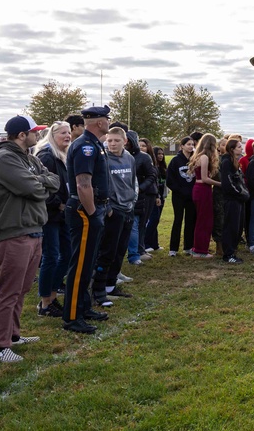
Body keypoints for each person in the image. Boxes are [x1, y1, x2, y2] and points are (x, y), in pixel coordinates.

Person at [0, 115, 58, 364]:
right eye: (34, 132)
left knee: (21, 289)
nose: (37, 135)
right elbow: (36, 189)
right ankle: (0, 346)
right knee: (8, 291)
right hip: (12, 232)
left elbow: (54, 181)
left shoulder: (29, 157)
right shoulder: (4, 158)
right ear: (21, 135)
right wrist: (40, 183)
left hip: (32, 229)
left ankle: (13, 336)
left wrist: (39, 182)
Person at [61, 105, 112, 335]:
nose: (109, 123)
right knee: (80, 265)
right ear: (100, 122)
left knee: (88, 262)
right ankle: (72, 316)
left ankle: (83, 307)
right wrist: (92, 213)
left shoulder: (94, 145)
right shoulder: (85, 147)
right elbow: (83, 184)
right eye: (107, 119)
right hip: (84, 211)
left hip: (92, 209)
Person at [92, 127, 137, 308]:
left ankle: (111, 285)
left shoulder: (130, 158)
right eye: (109, 140)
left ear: (124, 141)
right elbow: (99, 184)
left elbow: (132, 182)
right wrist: (108, 207)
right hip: (112, 210)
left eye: (116, 140)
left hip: (128, 208)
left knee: (120, 250)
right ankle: (98, 290)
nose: (112, 144)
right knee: (107, 251)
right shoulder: (103, 159)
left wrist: (132, 201)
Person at [33, 122, 71, 318]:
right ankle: (45, 302)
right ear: (52, 135)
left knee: (67, 254)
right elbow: (40, 185)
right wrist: (58, 203)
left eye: (69, 132)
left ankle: (53, 296)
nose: (68, 136)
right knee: (51, 256)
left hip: (62, 215)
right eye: (63, 133)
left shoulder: (62, 155)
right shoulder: (47, 155)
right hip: (50, 215)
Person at [126, 131, 156, 265]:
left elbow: (152, 175)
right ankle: (135, 251)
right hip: (123, 195)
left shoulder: (143, 157)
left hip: (142, 195)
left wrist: (140, 188)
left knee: (140, 223)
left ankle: (139, 250)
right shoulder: (119, 156)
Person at [188, 134, 219, 259]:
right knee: (204, 220)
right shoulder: (204, 157)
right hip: (202, 189)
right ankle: (200, 250)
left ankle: (199, 247)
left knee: (202, 219)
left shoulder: (198, 156)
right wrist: (220, 184)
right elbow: (204, 178)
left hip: (199, 189)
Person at [165, 137, 196, 256]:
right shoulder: (175, 161)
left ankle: (188, 246)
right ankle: (173, 249)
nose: (191, 146)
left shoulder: (195, 160)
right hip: (178, 196)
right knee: (178, 220)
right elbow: (170, 180)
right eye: (188, 144)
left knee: (190, 221)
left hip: (191, 196)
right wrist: (180, 190)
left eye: (192, 144)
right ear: (182, 146)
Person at [219, 139, 247, 263]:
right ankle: (228, 254)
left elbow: (240, 181)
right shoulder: (226, 162)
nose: (241, 149)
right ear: (232, 149)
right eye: (239, 147)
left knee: (238, 227)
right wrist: (239, 194)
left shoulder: (235, 162)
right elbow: (228, 183)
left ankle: (233, 251)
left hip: (238, 200)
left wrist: (244, 192)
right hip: (231, 200)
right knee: (231, 227)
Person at [144, 145, 167, 253]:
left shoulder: (162, 167)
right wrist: (157, 195)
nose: (161, 156)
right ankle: (145, 243)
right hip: (154, 196)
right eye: (158, 154)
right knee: (153, 219)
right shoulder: (152, 166)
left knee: (156, 221)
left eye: (162, 154)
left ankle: (155, 244)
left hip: (162, 196)